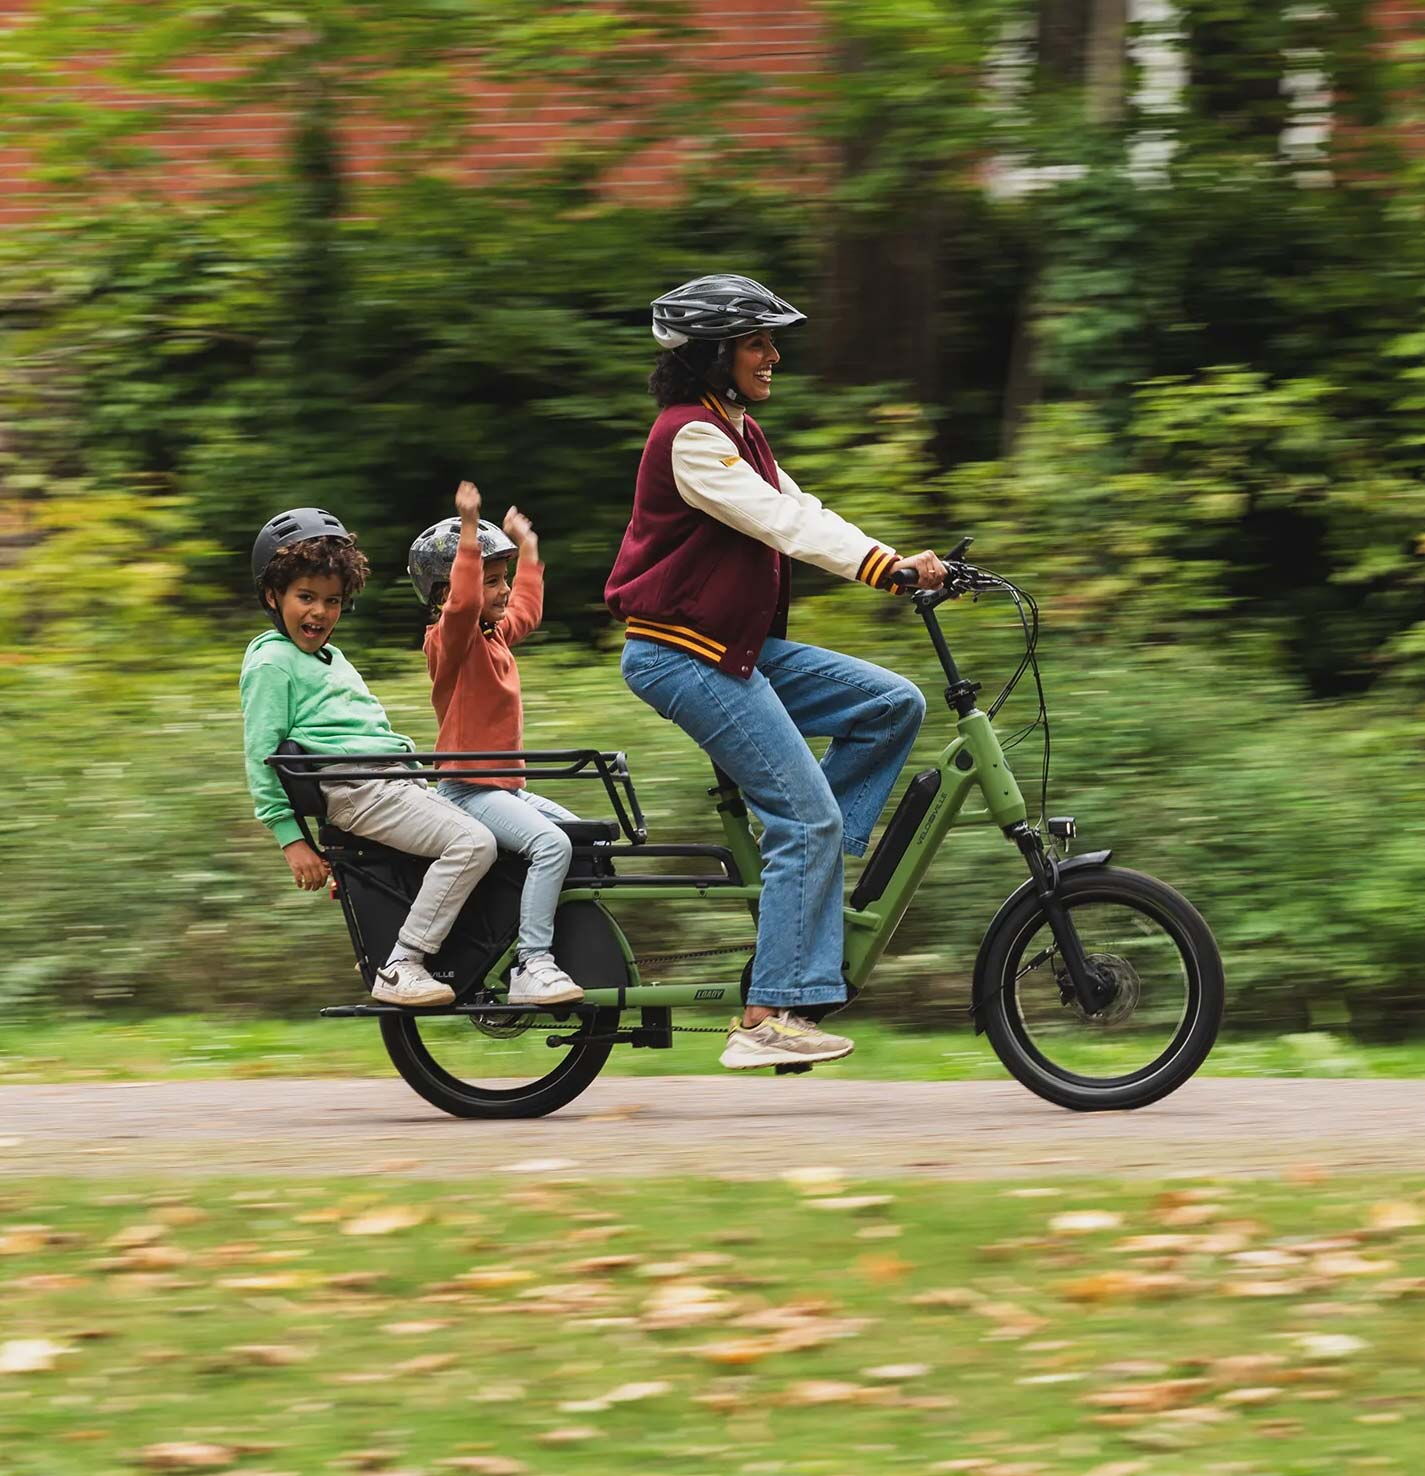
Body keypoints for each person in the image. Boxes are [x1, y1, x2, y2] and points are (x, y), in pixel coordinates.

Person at [605, 274, 947, 1071]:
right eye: (757, 343)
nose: (773, 356)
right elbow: (779, 523)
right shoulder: (689, 438)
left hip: (732, 647)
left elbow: (806, 508)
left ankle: (806, 872)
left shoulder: (740, 432)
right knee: (806, 818)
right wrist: (883, 571)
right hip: (680, 654)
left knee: (891, 705)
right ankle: (766, 1016)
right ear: (714, 354)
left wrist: (897, 558)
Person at [241, 507, 498, 1009]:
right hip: (355, 789)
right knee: (472, 843)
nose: (320, 613)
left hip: (390, 782)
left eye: (333, 600)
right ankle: (403, 964)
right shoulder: (271, 663)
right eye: (306, 597)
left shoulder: (331, 658)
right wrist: (291, 840)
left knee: (500, 833)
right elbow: (262, 756)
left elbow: (368, 730)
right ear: (273, 596)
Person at [409, 480, 584, 1007]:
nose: (503, 590)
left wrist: (528, 549)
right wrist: (469, 530)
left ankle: (542, 943)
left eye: (503, 579)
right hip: (468, 788)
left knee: (584, 839)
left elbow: (526, 609)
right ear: (446, 592)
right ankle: (532, 964)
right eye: (492, 580)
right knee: (551, 845)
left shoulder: (494, 636)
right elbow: (464, 605)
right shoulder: (450, 640)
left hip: (502, 788)